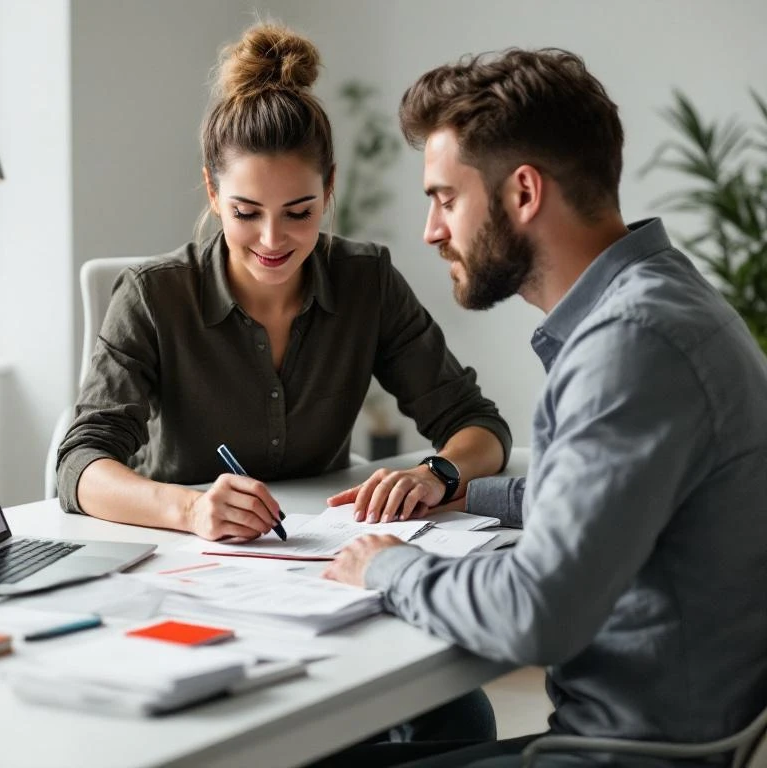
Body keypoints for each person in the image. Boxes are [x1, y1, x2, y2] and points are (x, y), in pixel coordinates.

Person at [56, 21, 511, 749]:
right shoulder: (153, 296)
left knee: (462, 716)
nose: (273, 240)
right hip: (194, 586)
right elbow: (80, 465)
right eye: (245, 213)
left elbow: (479, 426)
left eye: (299, 212)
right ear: (211, 191)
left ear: (330, 190)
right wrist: (190, 508)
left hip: (327, 578)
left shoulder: (366, 282)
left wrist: (439, 471)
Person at [323, 47, 767, 767]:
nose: (432, 230)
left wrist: (388, 567)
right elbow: (621, 499)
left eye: (444, 197)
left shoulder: (629, 344)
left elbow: (537, 611)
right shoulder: (666, 298)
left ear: (523, 193)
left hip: (624, 754)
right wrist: (470, 492)